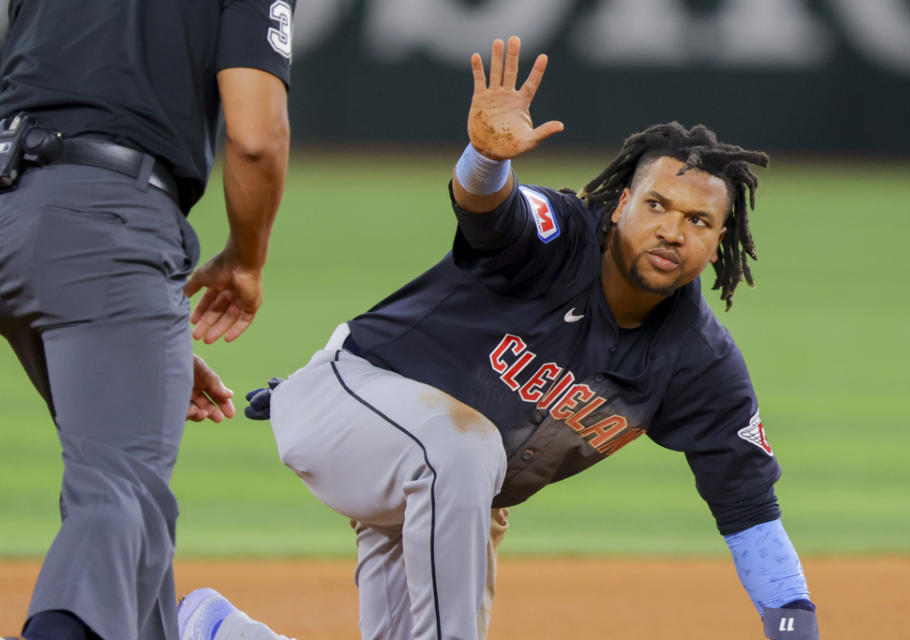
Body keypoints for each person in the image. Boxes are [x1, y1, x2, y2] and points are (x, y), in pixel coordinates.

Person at [180, 36, 819, 640]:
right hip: (348, 402)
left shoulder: (698, 360)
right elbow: (491, 213)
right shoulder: (562, 233)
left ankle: (212, 628)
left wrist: (796, 629)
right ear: (621, 202)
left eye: (698, 221)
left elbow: (750, 511)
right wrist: (486, 158)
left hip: (445, 491)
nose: (674, 230)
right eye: (657, 205)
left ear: (717, 246)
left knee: (465, 464)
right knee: (465, 448)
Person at [0, 0, 293, 638]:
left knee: (131, 504)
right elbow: (255, 136)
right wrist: (246, 261)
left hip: (21, 202)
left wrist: (132, 338)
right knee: (116, 494)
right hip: (104, 222)